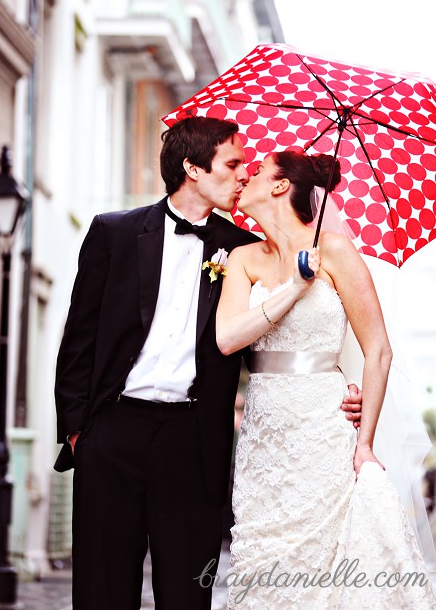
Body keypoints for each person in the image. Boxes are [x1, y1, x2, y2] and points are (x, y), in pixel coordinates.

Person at [53, 116, 363, 610]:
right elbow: (79, 341)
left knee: (186, 596)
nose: (243, 174)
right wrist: (78, 432)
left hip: (194, 442)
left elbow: (284, 333)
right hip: (112, 433)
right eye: (234, 163)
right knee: (101, 593)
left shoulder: (244, 250)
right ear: (192, 168)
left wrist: (343, 385)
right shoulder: (113, 232)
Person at [216, 150, 436, 608]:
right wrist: (295, 287)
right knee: (265, 567)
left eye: (255, 172)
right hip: (265, 439)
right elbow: (228, 338)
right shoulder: (242, 259)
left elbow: (378, 350)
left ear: (280, 186)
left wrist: (365, 444)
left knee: (329, 568)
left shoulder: (335, 250)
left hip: (325, 428)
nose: (244, 178)